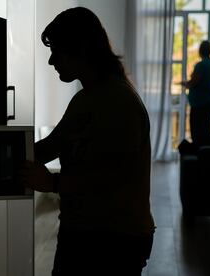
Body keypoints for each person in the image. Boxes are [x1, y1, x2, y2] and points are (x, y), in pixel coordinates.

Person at [19, 7, 155, 276]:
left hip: (113, 240)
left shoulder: (118, 102)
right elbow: (52, 145)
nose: (51, 61)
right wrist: (1, 155)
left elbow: (113, 177)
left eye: (56, 50)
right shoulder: (87, 98)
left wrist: (52, 183)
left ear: (79, 49)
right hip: (87, 233)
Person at [180, 40, 210, 148]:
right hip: (209, 103)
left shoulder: (201, 65)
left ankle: (199, 159)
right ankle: (209, 157)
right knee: (207, 132)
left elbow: (193, 83)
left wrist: (185, 83)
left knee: (197, 135)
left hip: (199, 106)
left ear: (200, 51)